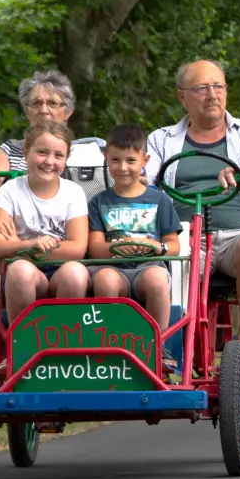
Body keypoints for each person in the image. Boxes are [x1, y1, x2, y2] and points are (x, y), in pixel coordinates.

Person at [145, 59, 240, 348]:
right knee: (162, 271)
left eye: (218, 86)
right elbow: (145, 181)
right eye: (201, 88)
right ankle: (174, 349)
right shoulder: (161, 139)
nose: (212, 95)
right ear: (181, 95)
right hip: (186, 237)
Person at [0, 70, 107, 345]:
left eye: (52, 103)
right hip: (21, 241)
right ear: (27, 111)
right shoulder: (13, 150)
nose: (44, 109)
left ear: (68, 111)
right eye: (36, 103)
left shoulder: (92, 149)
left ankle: (66, 344)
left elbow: (123, 172)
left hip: (78, 237)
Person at [86, 124, 185, 368]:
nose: (122, 168)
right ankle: (112, 346)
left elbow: (174, 245)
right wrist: (116, 247)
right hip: (112, 267)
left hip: (148, 266)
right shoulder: (99, 202)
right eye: (115, 160)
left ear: (145, 160)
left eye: (131, 160)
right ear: (105, 158)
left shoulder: (159, 199)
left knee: (156, 279)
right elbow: (94, 247)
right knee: (105, 281)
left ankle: (157, 347)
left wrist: (155, 246)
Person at [0, 120, 90, 324]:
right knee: (20, 271)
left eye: (58, 156)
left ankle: (63, 339)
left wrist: (16, 245)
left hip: (60, 269)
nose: (49, 161)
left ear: (66, 159)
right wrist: (29, 245)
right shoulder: (10, 191)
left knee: (76, 273)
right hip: (23, 270)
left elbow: (77, 248)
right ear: (26, 152)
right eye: (42, 152)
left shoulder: (73, 192)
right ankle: (21, 343)